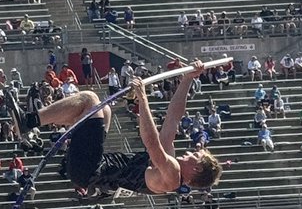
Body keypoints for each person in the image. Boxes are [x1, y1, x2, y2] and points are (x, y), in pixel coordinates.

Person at [16, 59, 223, 198]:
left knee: (90, 100)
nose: (192, 151)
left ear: (196, 168)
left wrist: (143, 99)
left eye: (196, 155)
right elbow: (173, 118)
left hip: (88, 171)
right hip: (95, 165)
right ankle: (38, 123)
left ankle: (29, 121)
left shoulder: (171, 174)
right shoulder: (172, 165)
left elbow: (151, 144)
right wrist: (187, 79)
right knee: (102, 110)